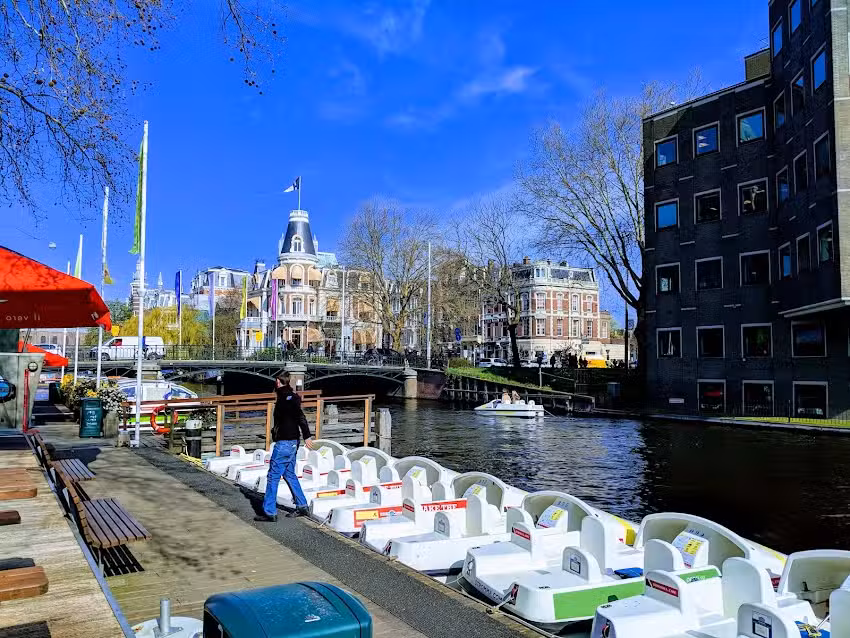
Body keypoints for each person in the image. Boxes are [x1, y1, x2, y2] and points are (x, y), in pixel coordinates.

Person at [255, 372, 314, 522]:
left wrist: (305, 435)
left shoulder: (283, 399)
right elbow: (300, 417)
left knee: (273, 476)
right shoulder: (293, 397)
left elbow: (297, 417)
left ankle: (269, 511)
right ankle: (302, 505)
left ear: (277, 382)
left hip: (284, 442)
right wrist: (306, 435)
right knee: (289, 474)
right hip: (294, 441)